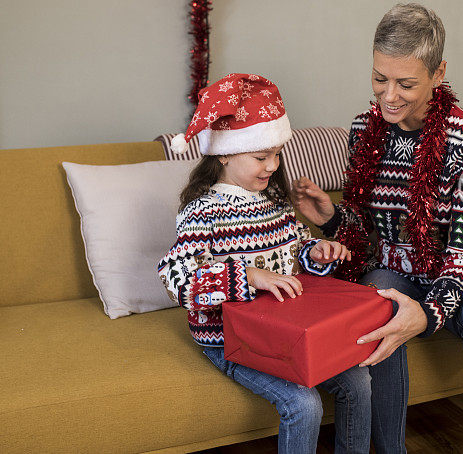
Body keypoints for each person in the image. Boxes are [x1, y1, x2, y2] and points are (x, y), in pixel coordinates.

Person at [292, 3, 463, 454]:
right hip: (396, 267)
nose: (389, 95)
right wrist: (332, 218)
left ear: (438, 74)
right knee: (373, 303)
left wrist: (427, 313)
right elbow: (368, 233)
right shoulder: (364, 130)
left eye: (406, 83)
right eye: (380, 78)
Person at [158, 73, 372, 454]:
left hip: (286, 330)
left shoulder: (275, 204)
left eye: (276, 154)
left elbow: (296, 250)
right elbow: (176, 277)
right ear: (223, 153)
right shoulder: (202, 213)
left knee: (358, 381)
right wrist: (248, 276)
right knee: (303, 404)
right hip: (229, 342)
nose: (272, 165)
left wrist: (317, 253)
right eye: (261, 156)